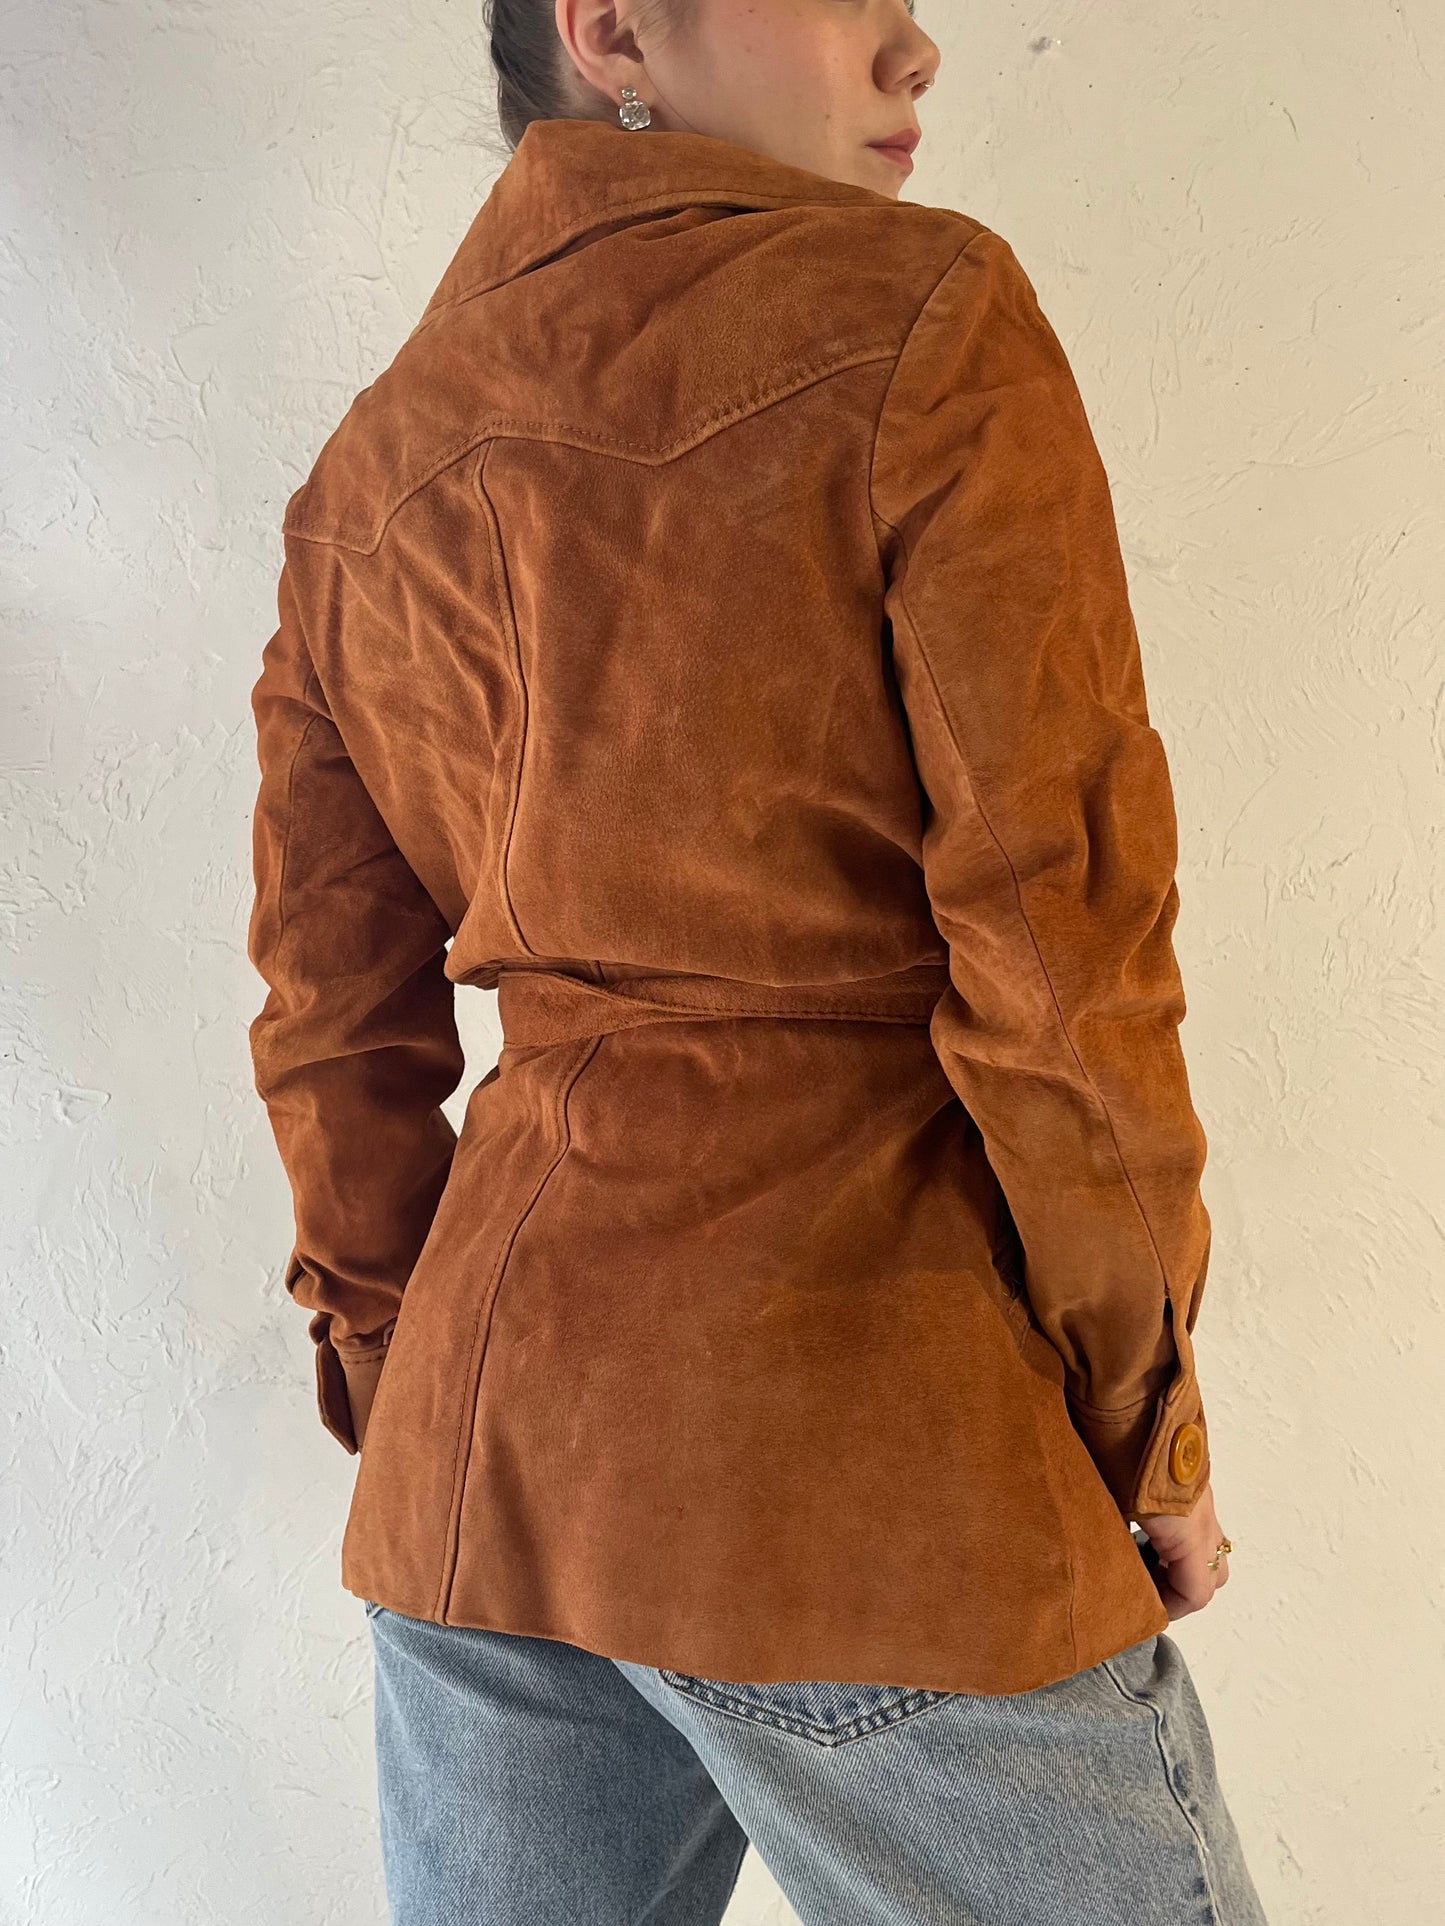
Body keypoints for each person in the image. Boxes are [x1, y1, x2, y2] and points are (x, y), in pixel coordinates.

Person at [244, 1, 1268, 1920]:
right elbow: (1057, 956)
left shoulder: (367, 469)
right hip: (866, 1445)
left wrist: (406, 1374)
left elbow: (328, 1020)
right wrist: (1149, 1422)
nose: (914, 47)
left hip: (480, 1477)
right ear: (615, 24)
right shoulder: (923, 316)